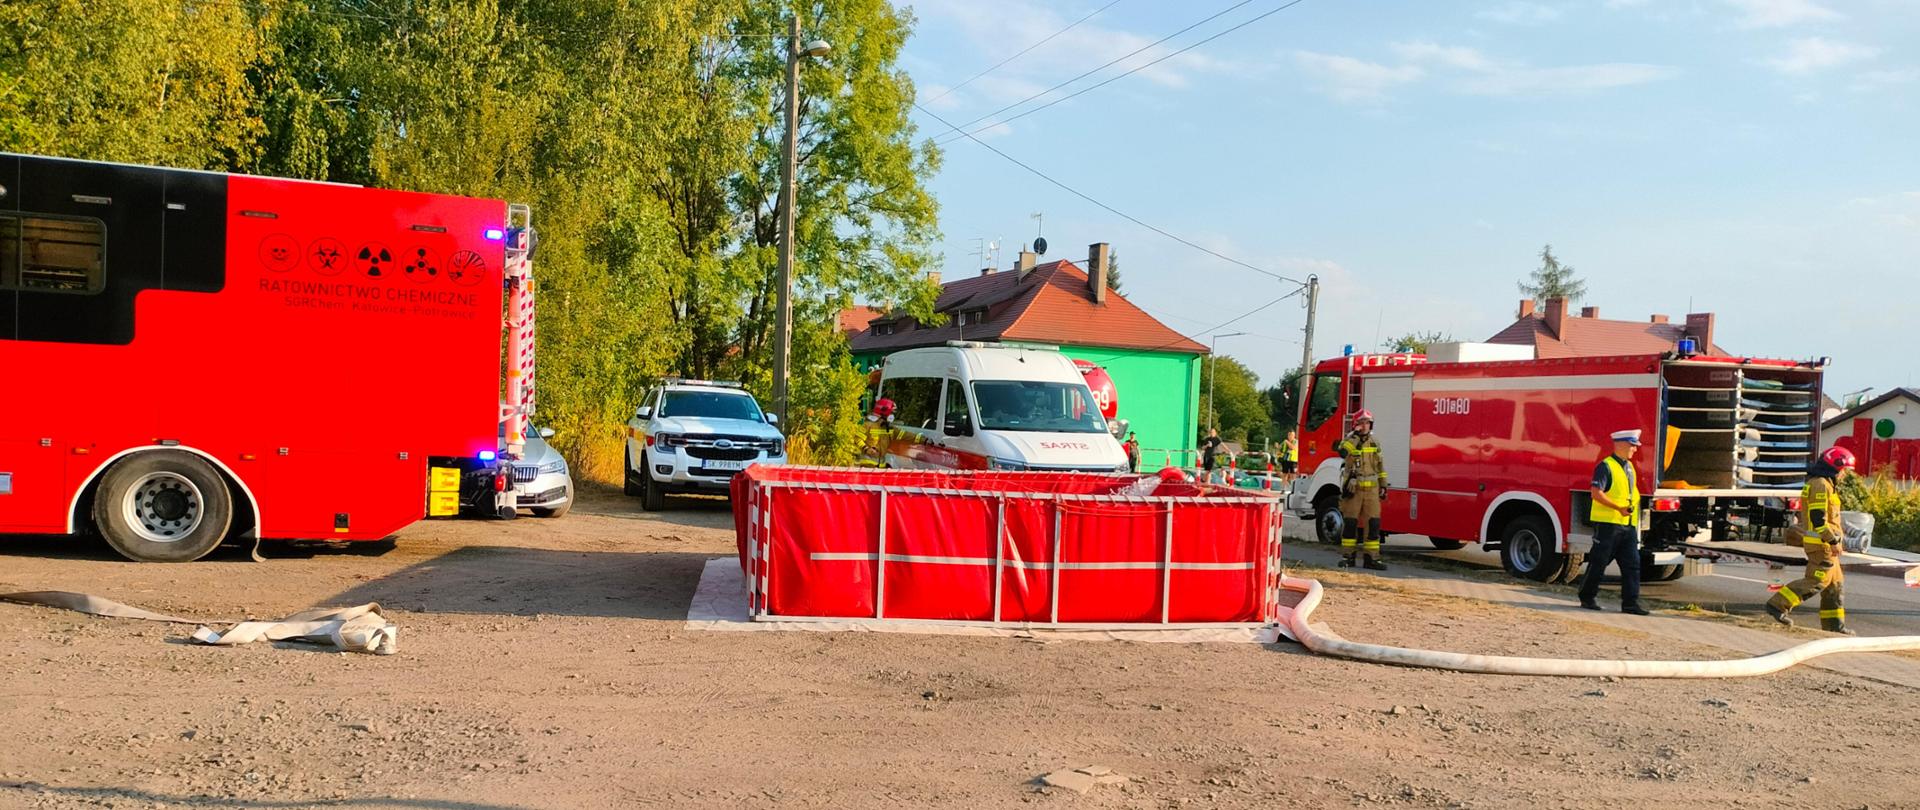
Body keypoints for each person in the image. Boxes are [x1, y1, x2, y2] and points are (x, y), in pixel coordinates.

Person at [1765, 446, 1857, 634]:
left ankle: (1834, 627)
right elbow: (1818, 520)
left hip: (1826, 545)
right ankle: (1778, 605)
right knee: (1817, 581)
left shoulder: (1826, 483)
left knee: (1835, 586)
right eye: (1845, 470)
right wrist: (1832, 541)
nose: (1845, 475)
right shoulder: (1821, 485)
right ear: (1836, 466)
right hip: (1822, 546)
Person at [1579, 429, 1651, 615]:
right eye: (1632, 444)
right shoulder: (1606, 466)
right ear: (1620, 444)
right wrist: (1617, 508)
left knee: (1632, 565)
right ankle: (1587, 597)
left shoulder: (1629, 467)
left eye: (1635, 445)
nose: (1635, 449)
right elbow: (1596, 493)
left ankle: (1630, 603)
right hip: (1607, 524)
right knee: (1599, 562)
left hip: (1626, 524)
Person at [1337, 410, 1389, 570]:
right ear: (1356, 424)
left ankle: (1371, 558)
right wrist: (1356, 437)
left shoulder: (1375, 442)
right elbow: (1342, 452)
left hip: (1372, 491)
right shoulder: (1350, 440)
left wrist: (1383, 485)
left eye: (1368, 423)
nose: (1365, 426)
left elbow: (1380, 466)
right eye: (1362, 422)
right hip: (1354, 489)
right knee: (1351, 523)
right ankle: (1348, 557)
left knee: (1373, 524)